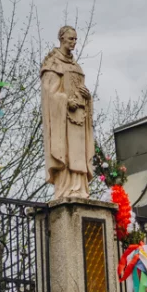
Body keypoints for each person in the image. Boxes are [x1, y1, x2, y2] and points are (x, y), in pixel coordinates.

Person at [40, 26, 94, 201]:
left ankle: (80, 188)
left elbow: (81, 91)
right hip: (63, 120)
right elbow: (50, 93)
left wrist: (88, 98)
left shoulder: (76, 67)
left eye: (76, 39)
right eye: (71, 39)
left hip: (78, 118)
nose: (74, 42)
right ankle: (66, 189)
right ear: (61, 38)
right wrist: (65, 101)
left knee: (79, 152)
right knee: (66, 153)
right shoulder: (53, 64)